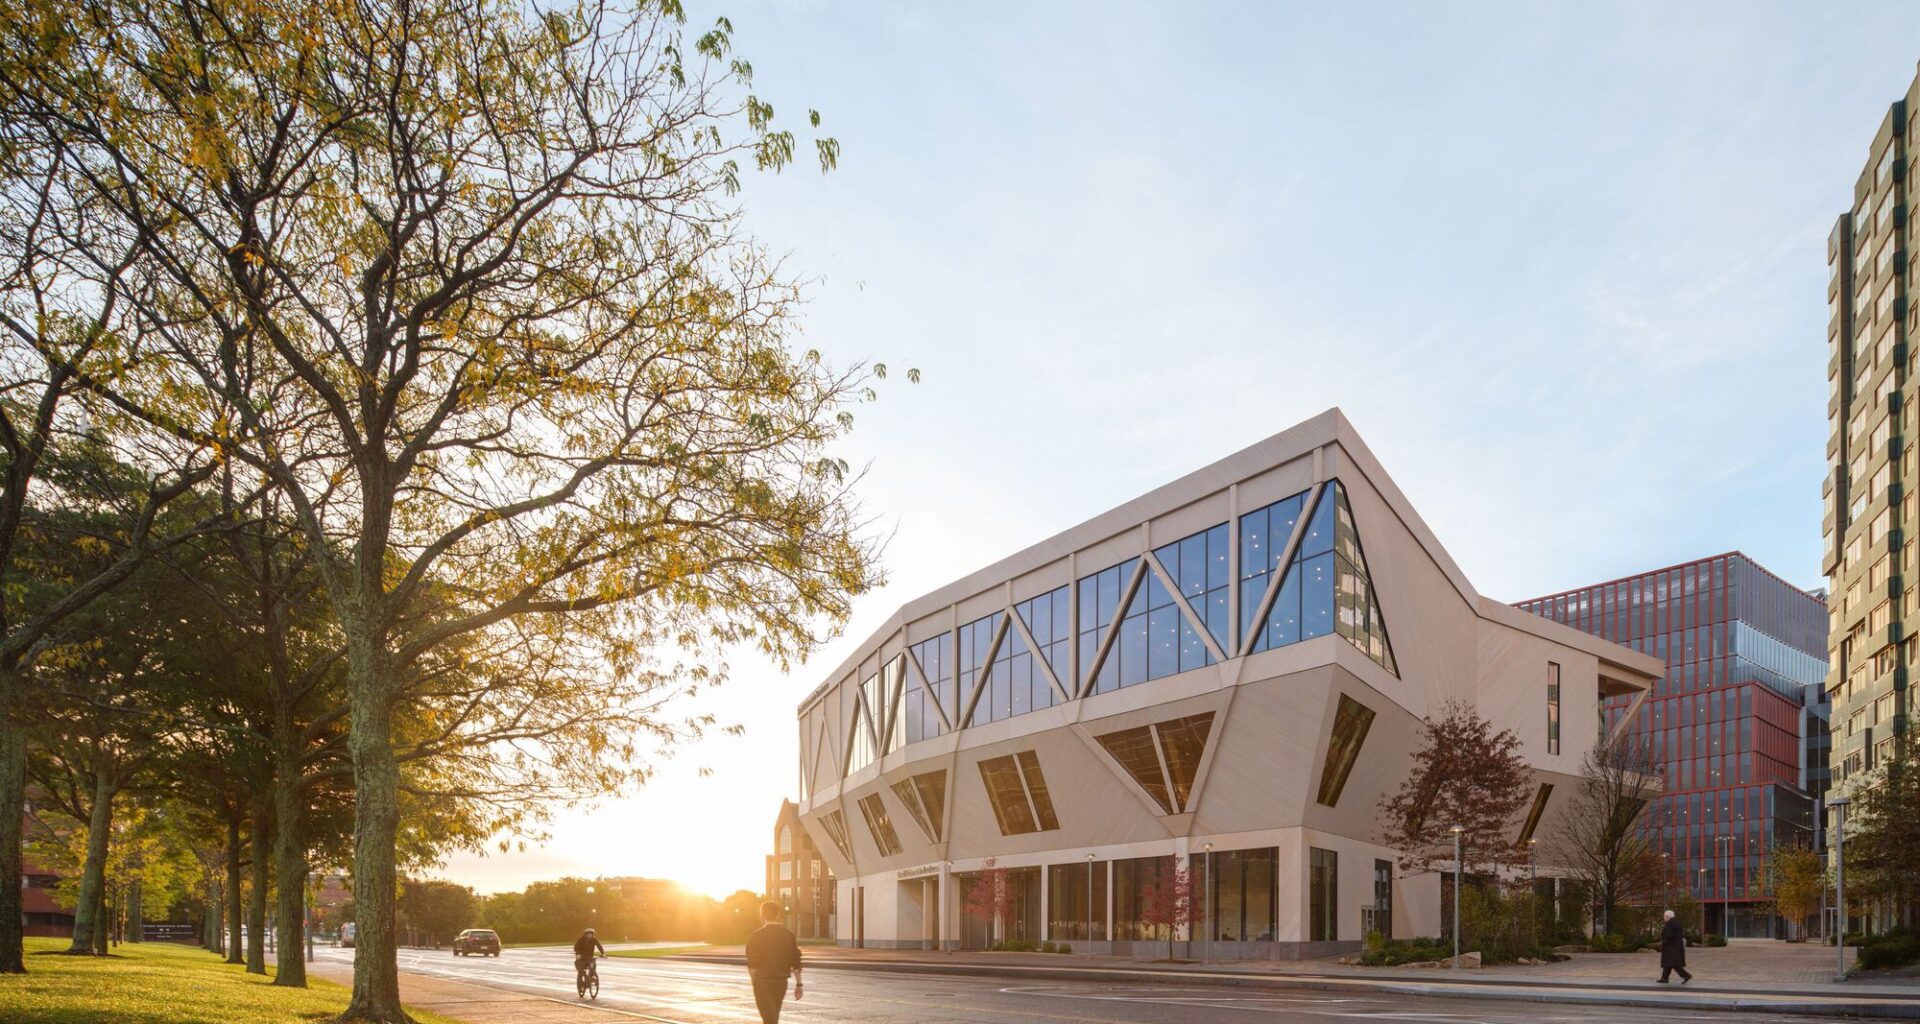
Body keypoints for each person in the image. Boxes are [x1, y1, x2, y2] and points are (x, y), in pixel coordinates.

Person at [745, 900, 803, 1024]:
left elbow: (752, 965)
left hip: (762, 982)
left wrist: (754, 982)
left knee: (769, 1018)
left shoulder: (755, 936)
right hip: (781, 982)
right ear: (777, 914)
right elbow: (796, 962)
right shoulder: (788, 935)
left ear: (762, 914)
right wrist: (799, 985)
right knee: (773, 1016)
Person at [1657, 909, 1692, 984]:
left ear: (1667, 916)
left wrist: (1664, 943)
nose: (1664, 918)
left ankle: (1686, 975)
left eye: (1664, 917)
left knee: (1674, 964)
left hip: (1671, 947)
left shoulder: (1669, 924)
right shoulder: (1677, 923)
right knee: (1668, 963)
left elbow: (1669, 936)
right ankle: (1664, 978)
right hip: (1677, 946)